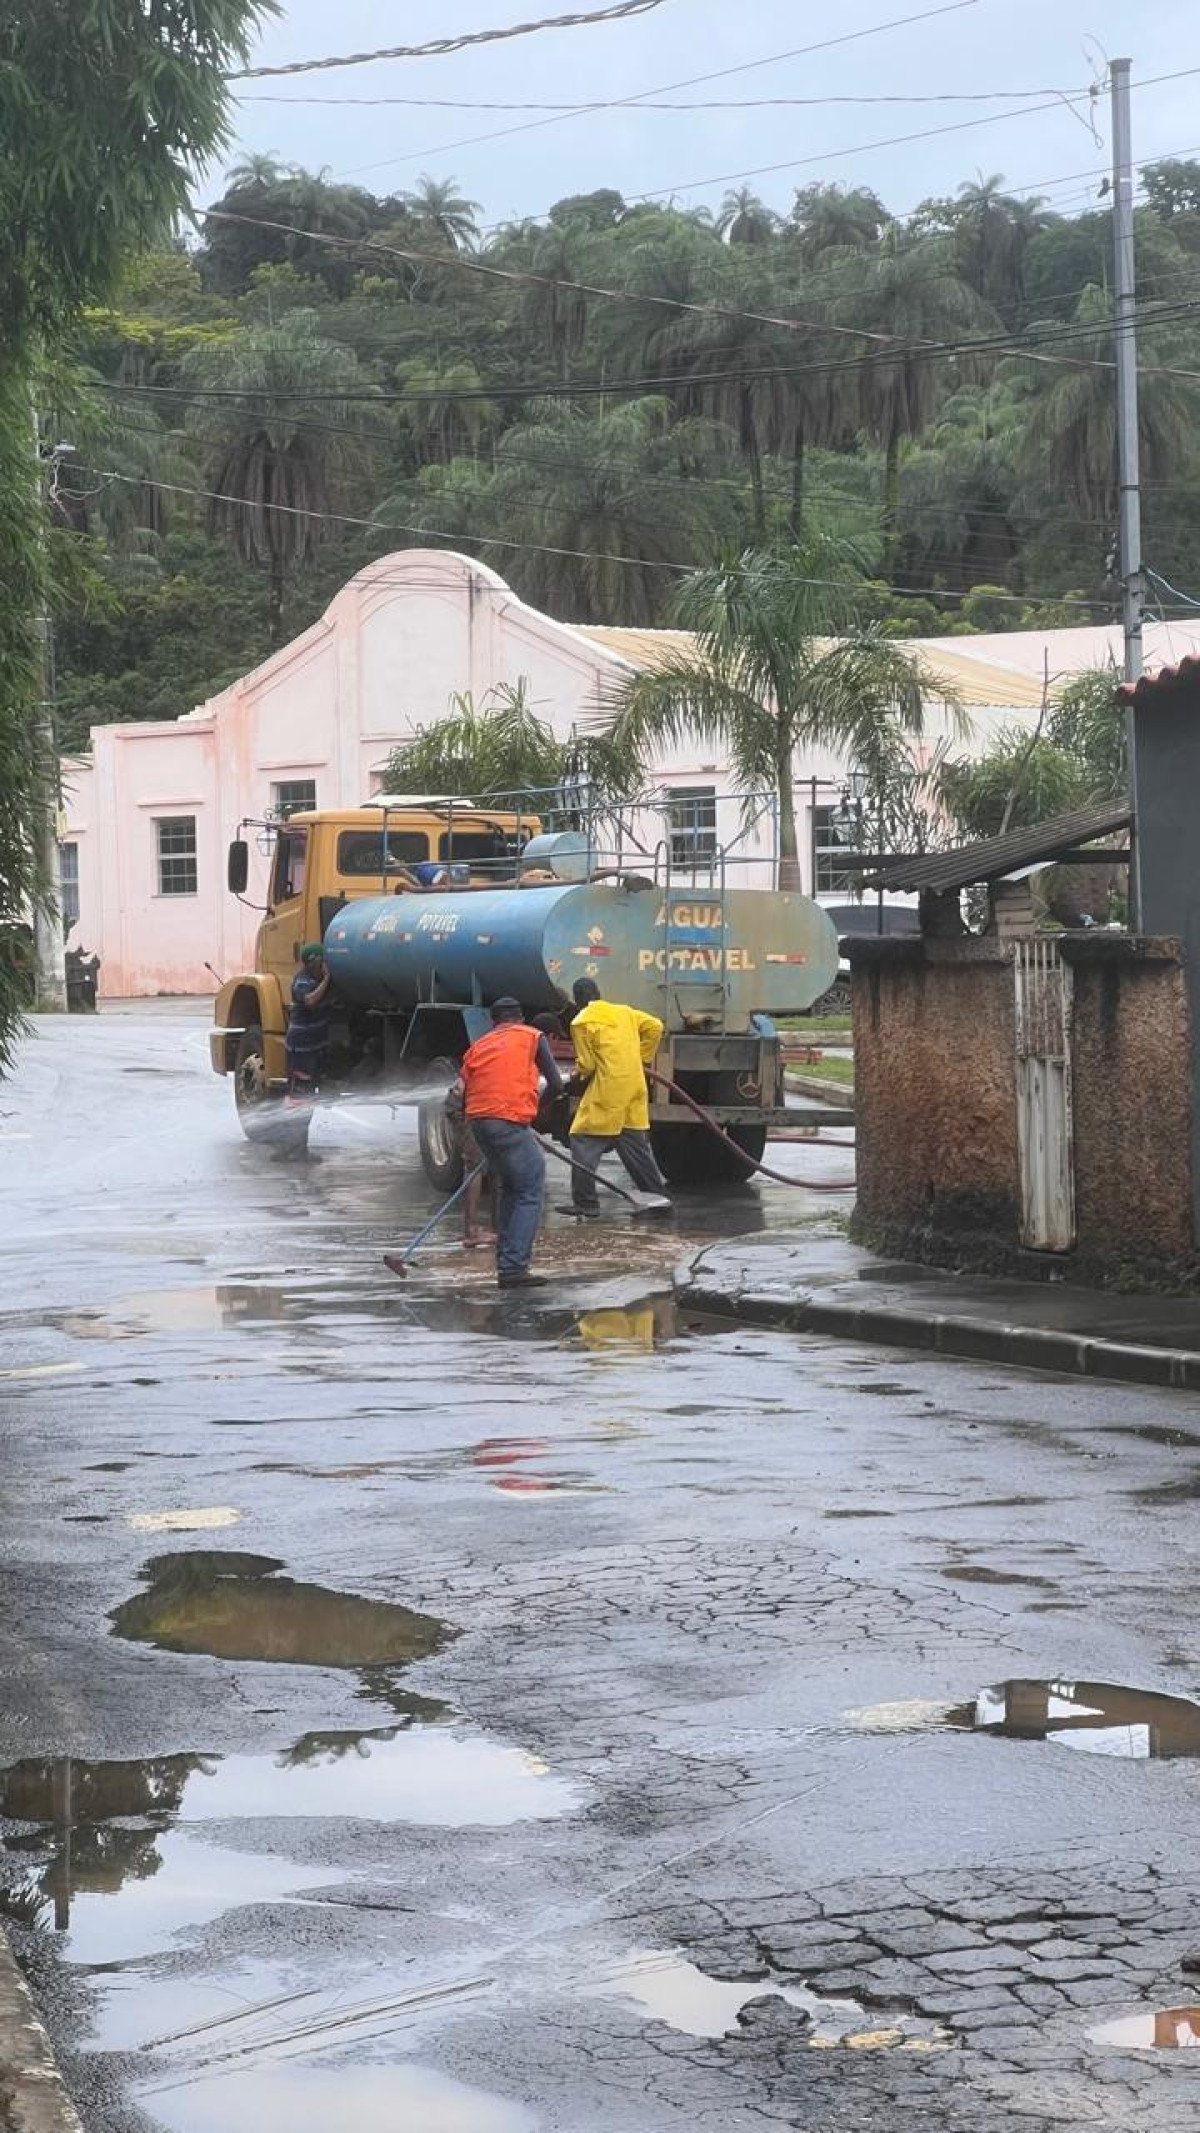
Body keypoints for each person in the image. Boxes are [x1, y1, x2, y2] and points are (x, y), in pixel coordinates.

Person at [459, 997, 564, 1289]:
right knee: (530, 1189)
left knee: (512, 1188)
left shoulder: (479, 1045)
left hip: (479, 1121)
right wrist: (534, 1110)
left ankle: (507, 1261)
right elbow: (556, 1084)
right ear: (520, 1018)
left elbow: (467, 1091)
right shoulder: (532, 1037)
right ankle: (514, 1268)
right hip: (506, 1119)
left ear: (494, 1022)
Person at [566, 977, 671, 1217]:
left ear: (577, 999)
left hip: (608, 1088)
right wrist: (641, 1057)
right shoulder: (625, 1012)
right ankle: (660, 1204)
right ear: (599, 993)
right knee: (635, 1146)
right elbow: (655, 1026)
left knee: (582, 1139)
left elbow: (588, 1065)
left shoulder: (581, 1021)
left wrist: (576, 1076)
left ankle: (586, 1203)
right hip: (635, 1086)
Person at [285, 943, 332, 1100]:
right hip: (301, 1049)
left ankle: (300, 1122)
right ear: (313, 963)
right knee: (300, 1091)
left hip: (313, 1047)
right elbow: (310, 1001)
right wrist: (326, 979)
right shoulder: (302, 980)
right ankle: (295, 1124)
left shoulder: (315, 980)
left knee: (308, 1092)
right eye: (321, 962)